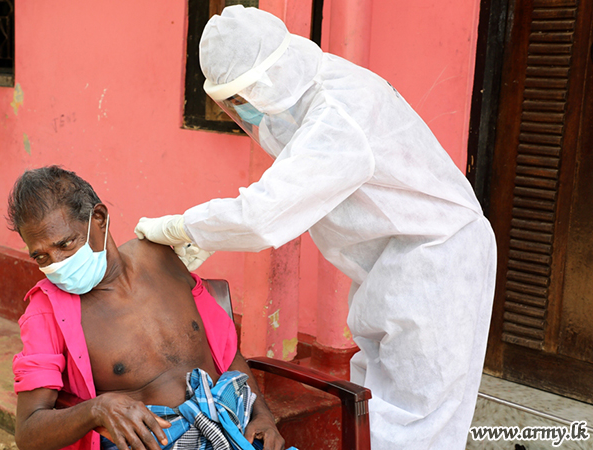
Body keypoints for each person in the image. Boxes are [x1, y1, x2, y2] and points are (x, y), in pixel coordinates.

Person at [134, 6, 497, 450]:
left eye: (239, 98)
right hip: (387, 264)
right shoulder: (301, 95)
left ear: (266, 79)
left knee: (414, 425)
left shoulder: (340, 112)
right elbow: (288, 178)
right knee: (371, 406)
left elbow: (264, 214)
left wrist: (180, 227)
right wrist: (207, 234)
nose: (236, 111)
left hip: (437, 262)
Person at [7, 166, 284, 450]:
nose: (57, 264)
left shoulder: (161, 257)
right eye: (41, 257)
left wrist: (263, 416)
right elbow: (28, 432)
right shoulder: (46, 312)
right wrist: (97, 409)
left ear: (99, 219)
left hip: (232, 431)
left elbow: (226, 355)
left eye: (65, 244)